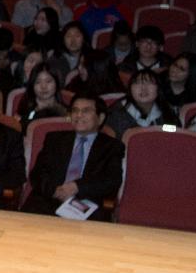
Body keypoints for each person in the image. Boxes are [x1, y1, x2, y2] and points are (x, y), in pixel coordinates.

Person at [21, 92, 125, 221]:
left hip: (86, 204)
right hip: (49, 200)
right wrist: (55, 191)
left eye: (86, 111)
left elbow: (111, 180)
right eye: (75, 111)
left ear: (101, 118)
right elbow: (37, 174)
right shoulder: (54, 139)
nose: (79, 115)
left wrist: (77, 187)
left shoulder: (111, 147)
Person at [105, 69, 181, 139]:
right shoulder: (115, 114)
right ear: (130, 88)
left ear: (158, 88)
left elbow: (175, 137)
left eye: (149, 83)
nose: (143, 88)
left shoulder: (167, 112)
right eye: (137, 83)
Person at [16, 63, 67, 132]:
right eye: (38, 82)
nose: (43, 86)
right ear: (32, 85)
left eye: (48, 81)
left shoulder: (66, 111)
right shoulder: (27, 112)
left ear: (57, 83)